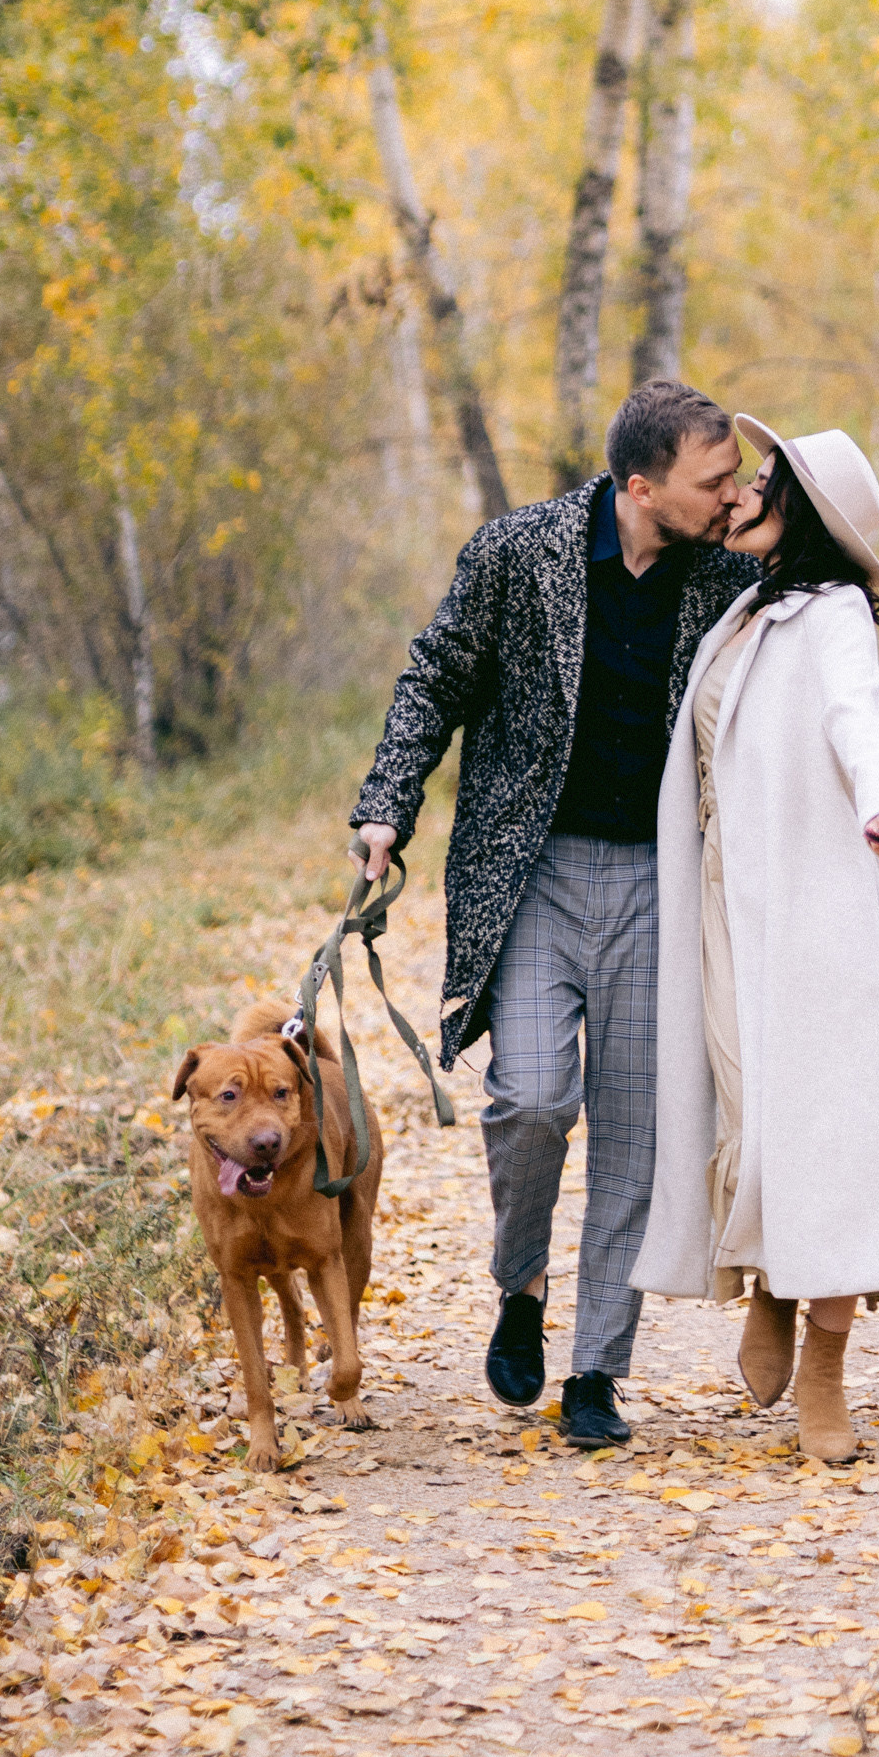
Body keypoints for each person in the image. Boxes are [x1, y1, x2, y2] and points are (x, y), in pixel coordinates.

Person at [351, 378, 758, 1447]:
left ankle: (596, 1372)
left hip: (658, 881)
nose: (732, 495)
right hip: (529, 875)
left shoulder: (725, 577)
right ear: (640, 485)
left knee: (635, 1131)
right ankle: (520, 1284)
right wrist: (386, 809)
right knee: (531, 1099)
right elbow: (435, 677)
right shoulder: (517, 554)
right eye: (713, 480)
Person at [636, 418, 879, 1464]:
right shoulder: (745, 609)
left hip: (821, 915)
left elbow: (860, 717)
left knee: (832, 1133)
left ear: (805, 515)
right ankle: (767, 1282)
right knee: (747, 1107)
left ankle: (824, 1364)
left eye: (765, 482)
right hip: (736, 906)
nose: (744, 492)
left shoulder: (834, 616)